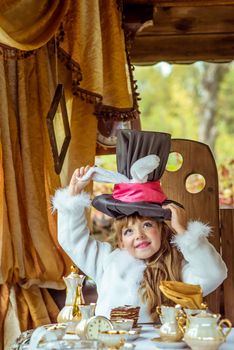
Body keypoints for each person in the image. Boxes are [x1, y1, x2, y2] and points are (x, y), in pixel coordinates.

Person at [52, 130, 227, 323]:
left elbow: (214, 274)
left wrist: (184, 233)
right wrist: (73, 193)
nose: (139, 235)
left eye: (147, 225)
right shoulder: (105, 262)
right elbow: (71, 240)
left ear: (161, 229)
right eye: (129, 231)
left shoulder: (177, 268)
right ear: (120, 241)